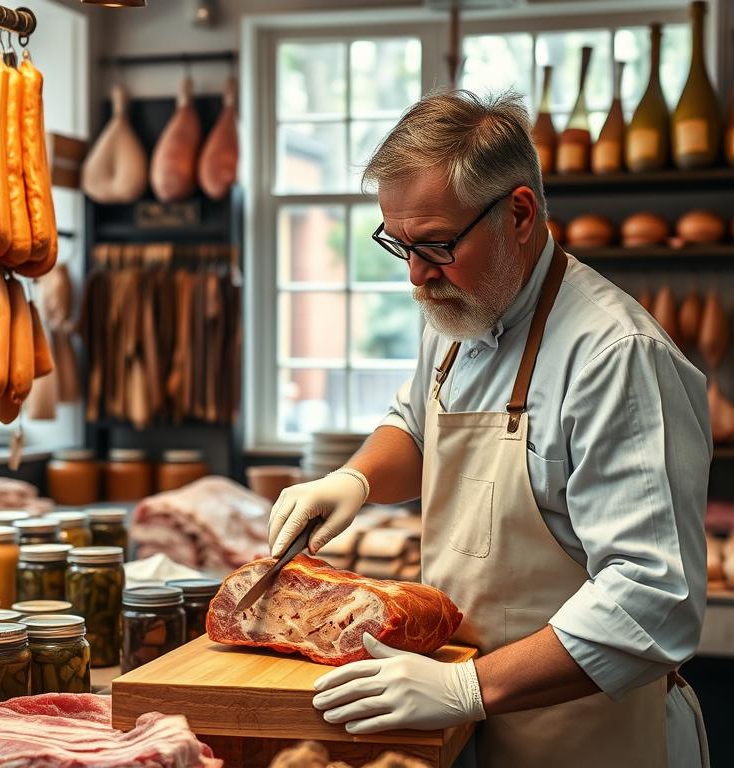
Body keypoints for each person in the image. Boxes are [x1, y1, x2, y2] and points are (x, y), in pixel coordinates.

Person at [268, 90, 711, 768]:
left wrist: (464, 686)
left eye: (437, 245)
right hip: (475, 731)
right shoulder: (458, 307)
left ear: (520, 214)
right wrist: (354, 477)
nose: (417, 276)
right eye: (400, 245)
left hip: (590, 740)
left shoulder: (616, 357)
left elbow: (652, 600)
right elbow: (418, 424)